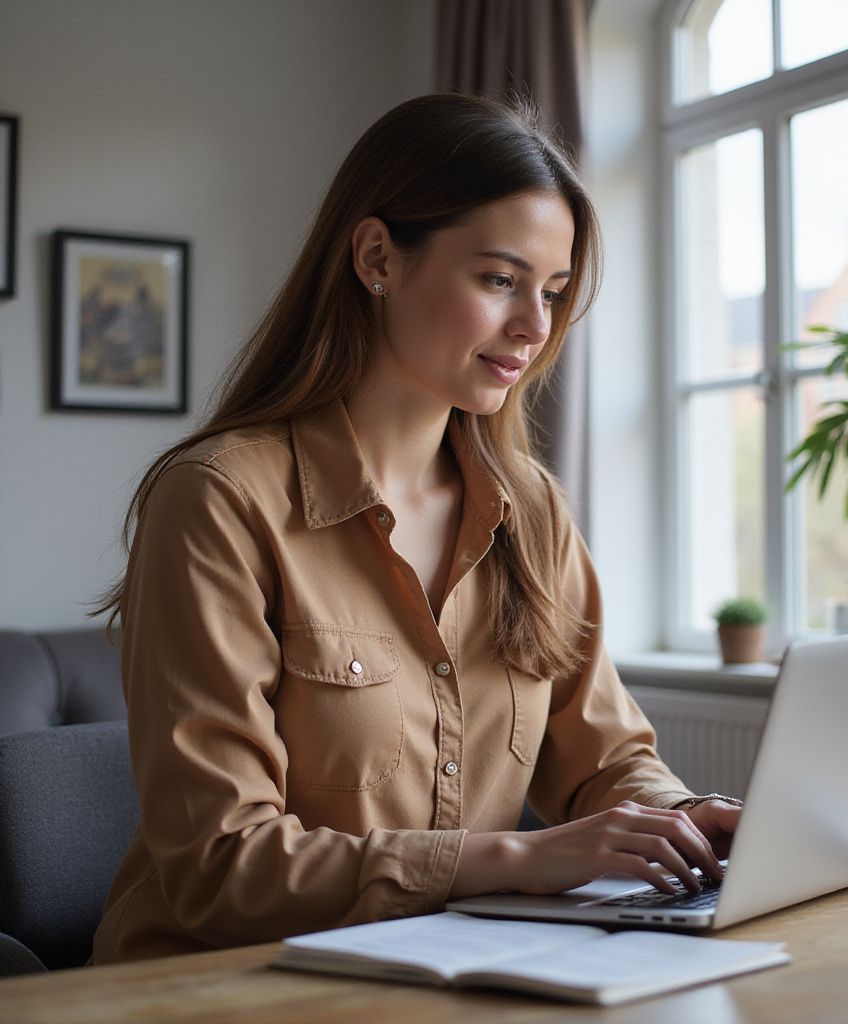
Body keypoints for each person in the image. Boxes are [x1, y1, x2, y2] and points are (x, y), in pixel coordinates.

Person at [91, 93, 741, 964]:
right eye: (499, 280)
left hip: (444, 977)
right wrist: (517, 856)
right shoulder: (219, 501)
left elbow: (601, 760)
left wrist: (683, 820)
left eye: (551, 292)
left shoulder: (533, 513)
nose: (535, 327)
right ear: (376, 259)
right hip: (220, 987)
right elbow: (221, 867)